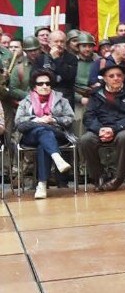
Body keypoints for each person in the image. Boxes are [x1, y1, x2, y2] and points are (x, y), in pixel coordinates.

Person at [80, 63, 125, 191]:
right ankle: (98, 178)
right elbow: (89, 117)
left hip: (124, 128)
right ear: (104, 78)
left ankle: (118, 178)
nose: (116, 78)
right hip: (101, 129)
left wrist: (114, 129)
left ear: (124, 77)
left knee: (124, 137)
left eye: (119, 75)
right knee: (86, 140)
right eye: (111, 76)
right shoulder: (96, 95)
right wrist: (99, 129)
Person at [14, 70, 74, 199]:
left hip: (56, 134)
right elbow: (18, 122)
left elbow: (70, 119)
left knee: (44, 140)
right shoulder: (26, 101)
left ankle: (41, 185)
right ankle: (57, 159)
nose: (44, 86)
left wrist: (54, 120)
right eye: (40, 84)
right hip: (31, 135)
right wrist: (38, 120)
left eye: (47, 83)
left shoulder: (62, 100)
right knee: (43, 131)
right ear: (34, 86)